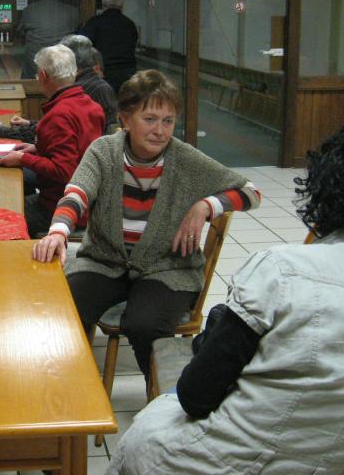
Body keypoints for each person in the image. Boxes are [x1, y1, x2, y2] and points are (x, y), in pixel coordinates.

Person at [106, 116, 344, 475]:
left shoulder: (280, 271)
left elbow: (195, 396)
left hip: (220, 463)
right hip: (327, 464)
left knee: (146, 432)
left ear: (328, 188)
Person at [32, 69, 261, 380]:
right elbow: (77, 193)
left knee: (144, 325)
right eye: (150, 119)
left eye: (168, 121)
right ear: (125, 119)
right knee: (62, 309)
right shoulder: (104, 151)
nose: (160, 131)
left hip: (166, 268)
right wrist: (58, 231)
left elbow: (251, 192)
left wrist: (206, 205)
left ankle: (162, 395)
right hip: (105, 262)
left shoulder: (184, 159)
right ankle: (67, 384)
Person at [0, 44, 104, 235]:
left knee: (1, 217)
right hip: (89, 203)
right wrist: (37, 148)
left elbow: (65, 170)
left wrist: (23, 158)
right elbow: (79, 152)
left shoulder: (58, 115)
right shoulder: (91, 105)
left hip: (62, 209)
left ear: (43, 75)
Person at [0, 35, 117, 141]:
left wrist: (1, 131)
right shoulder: (91, 83)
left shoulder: (80, 89)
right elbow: (56, 128)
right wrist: (30, 123)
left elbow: (48, 134)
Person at [16, 0, 79, 79]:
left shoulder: (29, 10)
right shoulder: (73, 12)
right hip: (62, 68)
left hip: (34, 67)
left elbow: (20, 34)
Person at [79, 0, 139, 93]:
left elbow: (83, 45)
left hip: (104, 75)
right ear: (121, 5)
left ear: (103, 3)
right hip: (128, 76)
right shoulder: (130, 25)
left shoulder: (95, 23)